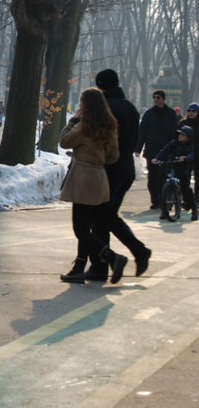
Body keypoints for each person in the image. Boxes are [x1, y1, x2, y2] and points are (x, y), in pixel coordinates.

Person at [58, 88, 127, 285]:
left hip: (83, 180)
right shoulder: (109, 125)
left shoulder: (83, 126)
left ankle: (113, 257)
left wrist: (73, 120)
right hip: (100, 178)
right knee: (88, 228)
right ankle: (79, 268)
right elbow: (113, 157)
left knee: (80, 230)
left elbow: (64, 141)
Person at [89, 69, 151, 280]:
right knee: (107, 217)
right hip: (125, 169)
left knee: (99, 220)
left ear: (100, 85)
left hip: (108, 169)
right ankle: (138, 251)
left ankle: (100, 267)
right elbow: (134, 138)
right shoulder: (130, 108)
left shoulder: (104, 108)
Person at [135, 90, 177, 209]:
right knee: (152, 178)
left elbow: (174, 131)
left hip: (166, 149)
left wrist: (174, 146)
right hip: (151, 150)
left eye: (158, 97)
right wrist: (138, 148)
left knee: (163, 176)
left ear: (163, 99)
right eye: (154, 97)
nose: (155, 99)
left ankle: (163, 198)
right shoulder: (149, 114)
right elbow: (142, 132)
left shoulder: (171, 113)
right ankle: (155, 200)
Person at [152, 125, 198, 221]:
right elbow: (164, 151)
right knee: (164, 185)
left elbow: (191, 154)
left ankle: (194, 209)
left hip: (182, 170)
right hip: (171, 167)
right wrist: (157, 158)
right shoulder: (173, 144)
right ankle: (164, 210)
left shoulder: (189, 146)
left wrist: (185, 158)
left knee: (186, 189)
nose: (180, 136)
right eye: (179, 134)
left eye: (183, 135)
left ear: (188, 137)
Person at [179, 102, 199, 204]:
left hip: (198, 154)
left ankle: (197, 199)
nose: (191, 113)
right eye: (189, 111)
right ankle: (186, 199)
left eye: (193, 111)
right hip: (185, 153)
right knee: (185, 177)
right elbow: (177, 137)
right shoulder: (183, 123)